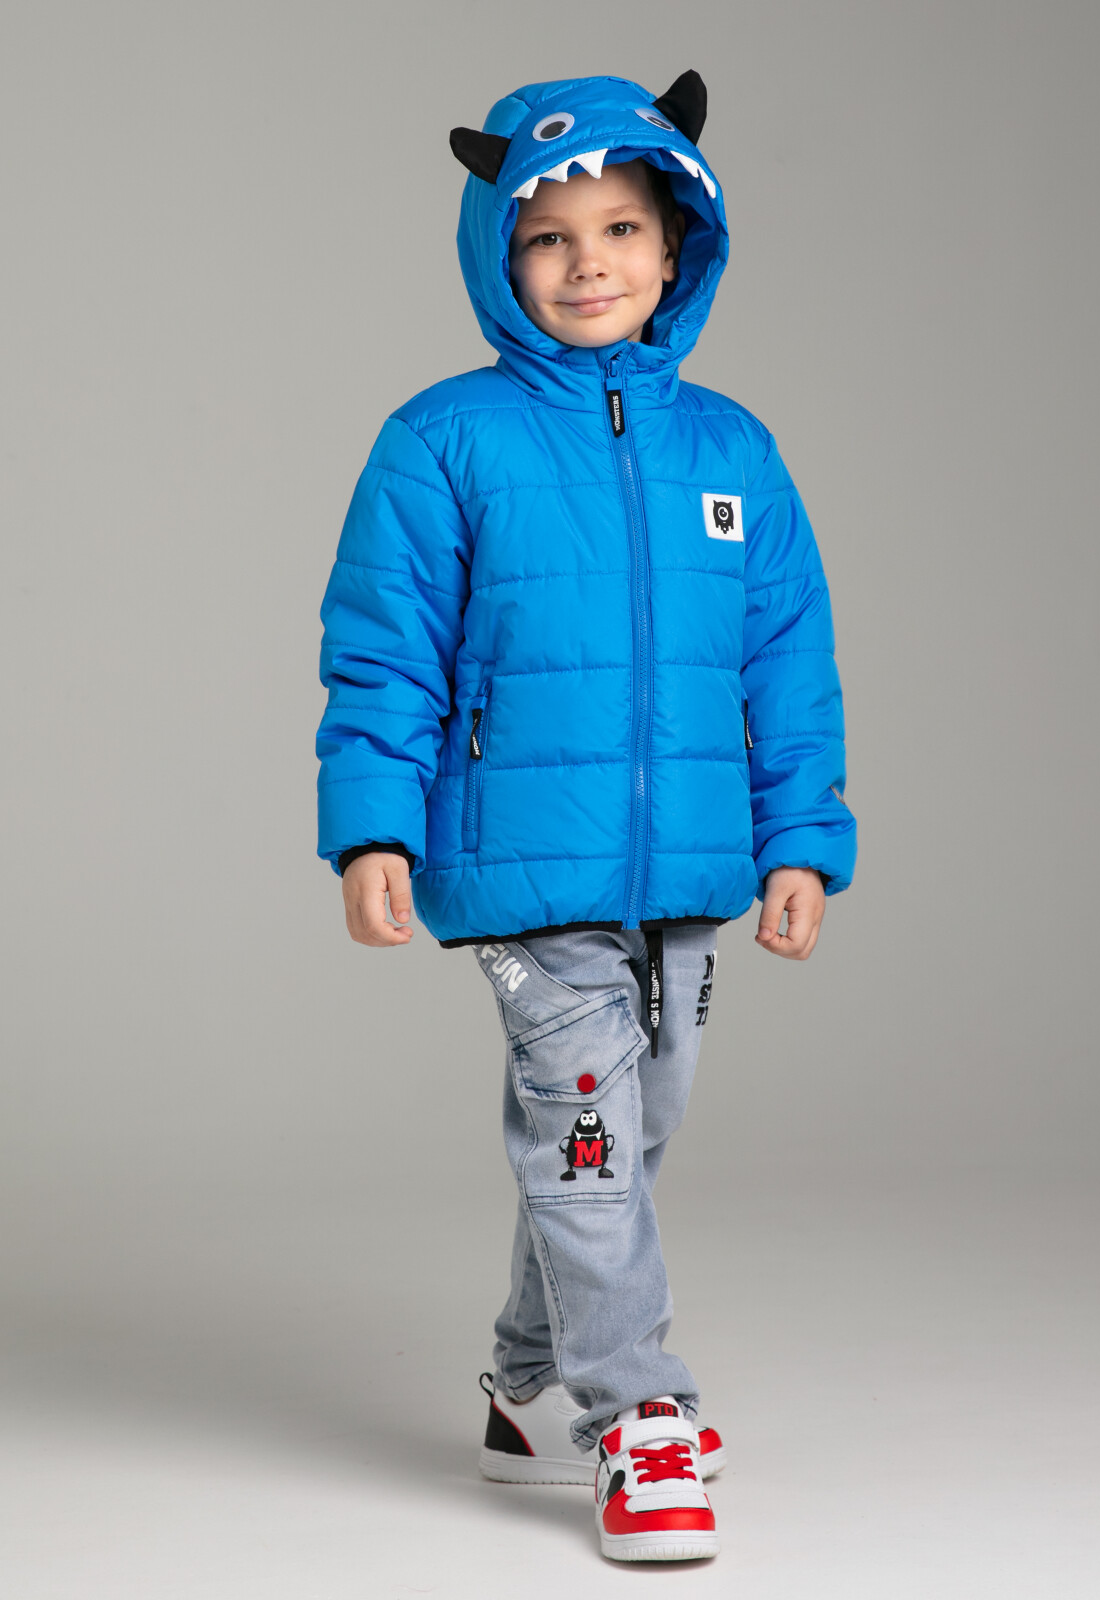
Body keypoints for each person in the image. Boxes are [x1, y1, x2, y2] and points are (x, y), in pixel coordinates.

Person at [315, 69, 856, 1564]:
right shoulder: (444, 439)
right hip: (519, 865)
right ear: (500, 255)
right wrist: (374, 829)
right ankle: (638, 1413)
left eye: (621, 229)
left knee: (630, 1124)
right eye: (549, 237)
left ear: (679, 246)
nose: (588, 262)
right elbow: (384, 650)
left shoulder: (732, 451)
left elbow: (787, 661)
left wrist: (802, 839)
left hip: (688, 865)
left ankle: (525, 1383)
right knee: (589, 1135)